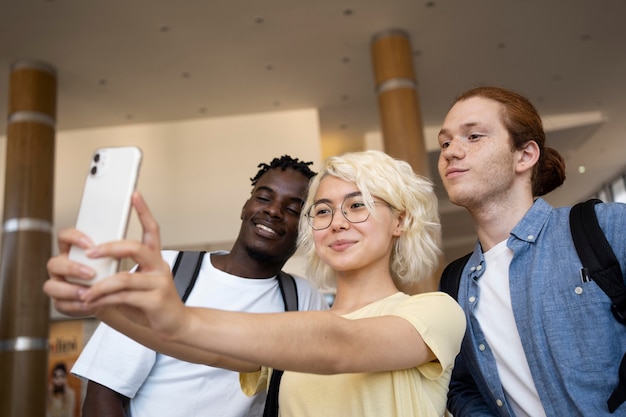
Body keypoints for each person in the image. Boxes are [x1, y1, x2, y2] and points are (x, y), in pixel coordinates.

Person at [44, 149, 466, 417]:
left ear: (402, 220)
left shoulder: (433, 311)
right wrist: (100, 303)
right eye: (322, 211)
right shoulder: (297, 322)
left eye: (357, 206)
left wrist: (178, 318)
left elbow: (338, 343)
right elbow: (192, 346)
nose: (337, 222)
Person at [67, 155, 329, 417]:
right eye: (263, 197)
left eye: (293, 209)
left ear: (306, 227)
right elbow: (104, 394)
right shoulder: (167, 270)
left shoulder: (303, 299)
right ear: (245, 206)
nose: (273, 211)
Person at [437, 86, 626, 416]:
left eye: (473, 136)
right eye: (445, 142)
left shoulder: (605, 228)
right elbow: (464, 387)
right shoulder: (455, 282)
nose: (451, 151)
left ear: (524, 155)